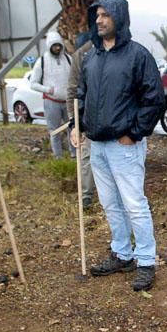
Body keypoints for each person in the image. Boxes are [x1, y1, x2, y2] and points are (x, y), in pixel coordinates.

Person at [70, 0, 164, 291]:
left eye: (105, 15)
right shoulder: (91, 58)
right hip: (96, 145)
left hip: (124, 146)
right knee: (110, 204)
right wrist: (77, 125)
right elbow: (82, 96)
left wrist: (133, 133)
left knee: (134, 204)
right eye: (96, 15)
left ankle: (146, 261)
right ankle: (122, 253)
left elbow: (154, 99)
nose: (99, 20)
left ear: (119, 18)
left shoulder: (138, 56)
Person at [30, 31, 73, 159]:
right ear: (49, 46)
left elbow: (75, 77)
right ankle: (58, 156)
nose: (57, 48)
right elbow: (33, 83)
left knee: (72, 127)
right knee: (54, 130)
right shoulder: (42, 61)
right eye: (54, 46)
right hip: (51, 102)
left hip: (67, 101)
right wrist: (47, 89)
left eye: (59, 45)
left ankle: (74, 154)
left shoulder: (68, 59)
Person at [67, 32, 96, 209]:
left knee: (89, 157)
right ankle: (86, 195)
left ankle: (87, 195)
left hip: (108, 119)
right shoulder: (81, 56)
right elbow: (73, 89)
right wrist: (74, 121)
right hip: (88, 117)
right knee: (87, 156)